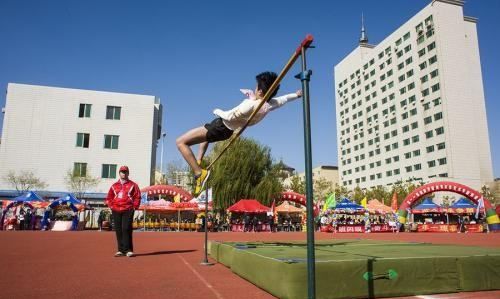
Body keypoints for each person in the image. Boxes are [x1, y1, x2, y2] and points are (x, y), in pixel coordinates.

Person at [176, 72, 303, 196]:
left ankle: (199, 173)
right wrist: (296, 95)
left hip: (220, 126)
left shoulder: (249, 105)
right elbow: (284, 99)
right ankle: (198, 160)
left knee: (181, 142)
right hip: (226, 131)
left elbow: (229, 116)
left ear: (259, 91)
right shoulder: (268, 105)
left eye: (256, 86)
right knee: (204, 136)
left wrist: (217, 111)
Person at [105, 166, 141, 257]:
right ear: (119, 173)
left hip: (128, 209)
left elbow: (137, 196)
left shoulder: (133, 185)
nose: (123, 173)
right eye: (122, 172)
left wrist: (134, 207)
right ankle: (120, 250)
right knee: (118, 229)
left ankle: (128, 250)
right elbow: (109, 197)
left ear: (128, 173)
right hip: (116, 209)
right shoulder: (114, 186)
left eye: (125, 172)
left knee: (126, 228)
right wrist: (111, 206)